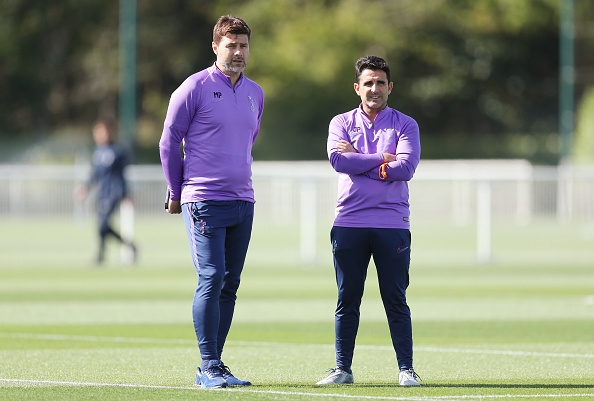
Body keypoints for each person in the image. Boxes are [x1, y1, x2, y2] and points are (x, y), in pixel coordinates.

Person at [159, 15, 264, 389]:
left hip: (243, 201)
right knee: (212, 276)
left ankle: (215, 364)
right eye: (231, 45)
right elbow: (169, 142)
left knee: (230, 283)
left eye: (243, 46)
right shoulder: (194, 87)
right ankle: (208, 365)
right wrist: (175, 191)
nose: (238, 52)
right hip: (203, 199)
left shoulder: (255, 93)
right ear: (215, 47)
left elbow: (247, 141)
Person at [317, 56, 421, 387]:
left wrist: (358, 160)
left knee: (395, 298)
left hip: (392, 224)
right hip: (349, 221)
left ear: (390, 87)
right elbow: (338, 161)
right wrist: (382, 159)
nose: (374, 88)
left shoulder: (405, 124)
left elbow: (406, 168)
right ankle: (342, 369)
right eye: (368, 83)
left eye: (380, 83)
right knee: (347, 298)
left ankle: (406, 369)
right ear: (357, 87)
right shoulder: (340, 122)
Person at [74, 118, 137, 265]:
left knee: (103, 223)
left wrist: (127, 194)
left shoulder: (117, 151)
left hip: (114, 192)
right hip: (102, 193)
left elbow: (122, 175)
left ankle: (101, 254)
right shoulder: (97, 152)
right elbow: (95, 174)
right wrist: (85, 188)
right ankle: (128, 245)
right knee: (102, 225)